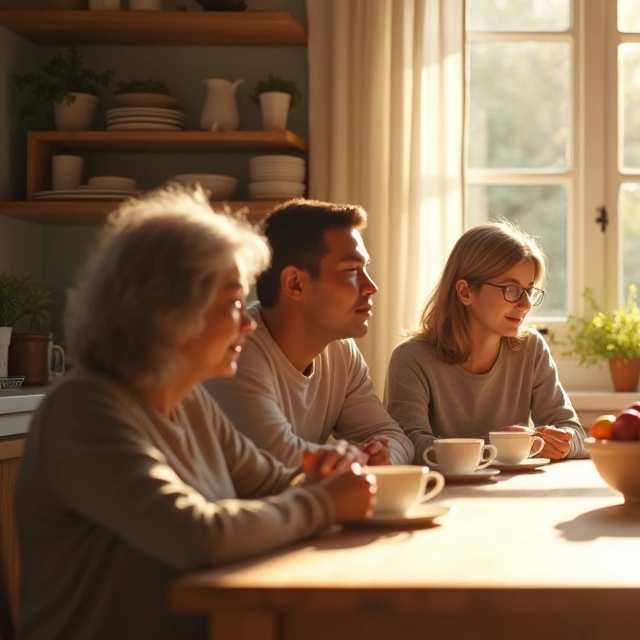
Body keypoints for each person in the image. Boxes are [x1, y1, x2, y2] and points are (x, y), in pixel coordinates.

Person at [15, 188, 375, 640]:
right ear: (167, 309)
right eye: (232, 303)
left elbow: (272, 480)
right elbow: (196, 536)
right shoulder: (85, 408)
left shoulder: (188, 401)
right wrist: (323, 501)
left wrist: (323, 475)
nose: (248, 322)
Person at [205, 199, 413, 467]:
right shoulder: (236, 349)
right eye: (352, 270)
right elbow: (277, 458)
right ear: (295, 284)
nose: (371, 286)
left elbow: (393, 437)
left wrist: (384, 457)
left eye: (366, 269)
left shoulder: (341, 350)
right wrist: (359, 460)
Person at [385, 222, 586, 461]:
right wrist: (498, 446)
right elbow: (409, 444)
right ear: (465, 292)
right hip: (440, 485)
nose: (525, 304)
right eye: (511, 289)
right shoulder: (411, 359)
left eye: (529, 290)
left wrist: (562, 442)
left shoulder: (531, 348)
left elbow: (575, 433)